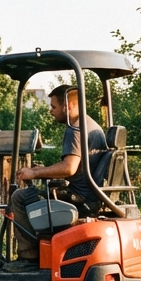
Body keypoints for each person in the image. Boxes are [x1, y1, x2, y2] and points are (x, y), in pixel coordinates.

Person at [7, 85, 109, 267]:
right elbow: (77, 169)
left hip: (79, 200)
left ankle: (28, 258)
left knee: (19, 197)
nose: (50, 111)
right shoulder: (92, 125)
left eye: (53, 106)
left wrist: (34, 172)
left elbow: (69, 168)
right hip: (90, 197)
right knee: (42, 190)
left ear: (68, 106)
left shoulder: (75, 129)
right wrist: (43, 171)